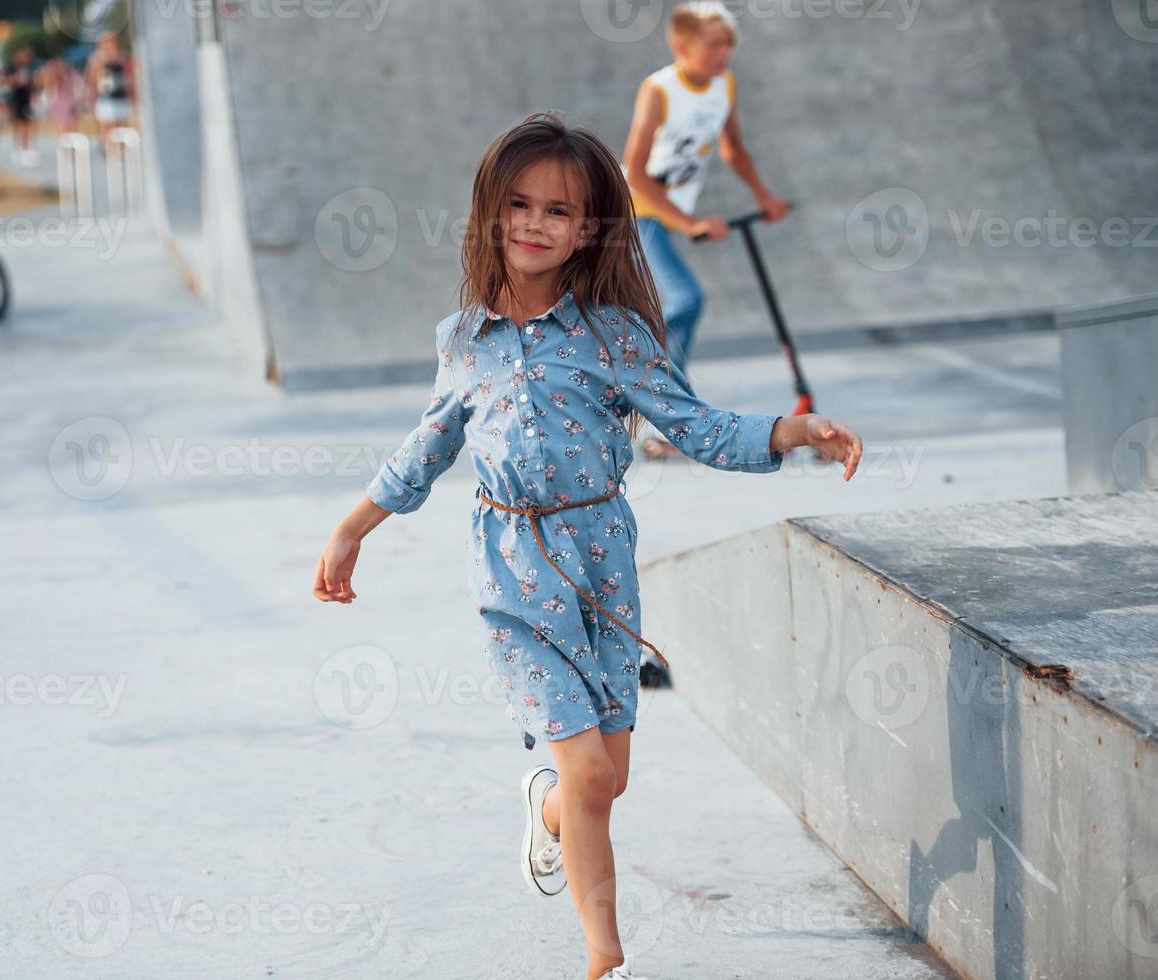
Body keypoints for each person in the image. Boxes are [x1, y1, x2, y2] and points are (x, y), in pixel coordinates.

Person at [312, 113, 862, 980]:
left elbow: (698, 426)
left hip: (603, 565)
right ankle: (606, 961)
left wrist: (793, 431)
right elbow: (425, 449)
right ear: (490, 213)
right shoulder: (464, 342)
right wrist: (351, 531)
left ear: (589, 228)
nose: (535, 224)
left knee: (604, 781)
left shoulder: (618, 337)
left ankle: (547, 805)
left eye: (559, 211)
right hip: (512, 572)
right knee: (593, 778)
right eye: (519, 204)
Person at [623, 0, 789, 460]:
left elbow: (734, 149)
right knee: (684, 300)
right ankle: (657, 405)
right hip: (633, 213)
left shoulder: (724, 85)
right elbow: (634, 174)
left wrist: (764, 198)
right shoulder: (658, 90)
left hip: (667, 213)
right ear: (683, 46)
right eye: (714, 44)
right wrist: (690, 222)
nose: (724, 53)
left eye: (728, 43)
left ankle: (654, 398)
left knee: (674, 308)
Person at [86, 32, 132, 143]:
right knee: (108, 126)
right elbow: (92, 78)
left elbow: (127, 73)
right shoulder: (96, 58)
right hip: (105, 97)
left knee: (122, 127)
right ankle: (110, 151)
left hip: (120, 96)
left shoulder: (120, 56)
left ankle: (121, 151)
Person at [5, 48, 38, 167]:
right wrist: (17, 80)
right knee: (18, 125)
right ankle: (17, 148)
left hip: (27, 101)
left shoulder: (31, 68)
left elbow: (35, 84)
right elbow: (7, 82)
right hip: (16, 100)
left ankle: (27, 149)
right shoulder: (12, 68)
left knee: (28, 124)